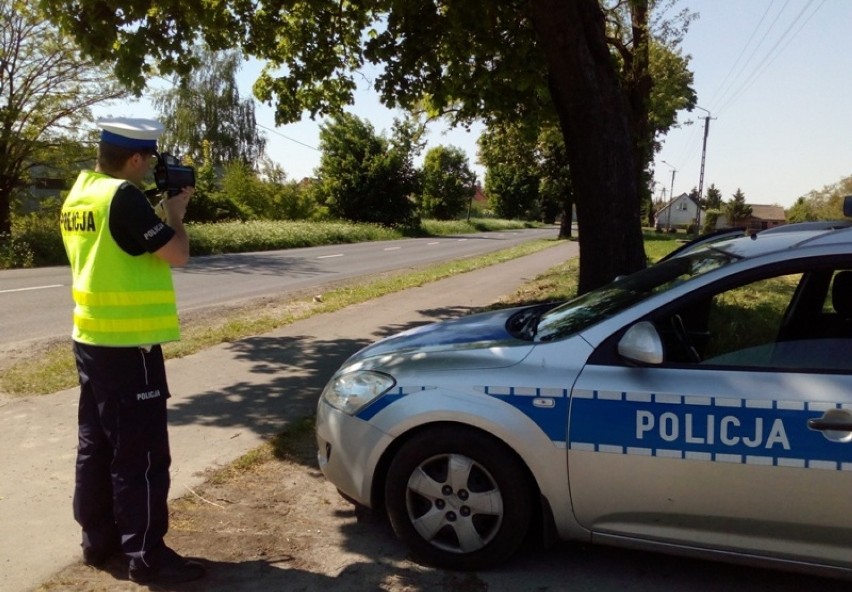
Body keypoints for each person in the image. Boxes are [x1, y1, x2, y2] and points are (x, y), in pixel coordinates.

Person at [59, 118, 204, 584]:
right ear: (136, 159)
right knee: (140, 456)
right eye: (149, 162)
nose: (151, 171)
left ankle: (98, 543)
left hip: (91, 341)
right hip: (129, 347)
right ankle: (145, 556)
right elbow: (176, 253)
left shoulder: (80, 194)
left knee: (95, 446)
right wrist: (175, 213)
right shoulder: (121, 197)